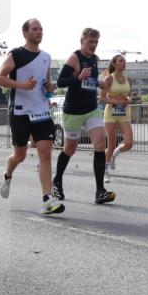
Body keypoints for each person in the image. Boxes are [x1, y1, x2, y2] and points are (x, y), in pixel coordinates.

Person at [0, 18, 64, 215]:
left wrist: (50, 88)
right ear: (25, 33)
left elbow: (47, 84)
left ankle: (47, 199)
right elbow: (0, 79)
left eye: (41, 29)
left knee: (45, 152)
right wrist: (21, 85)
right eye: (35, 29)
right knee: (20, 155)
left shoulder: (46, 57)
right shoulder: (15, 54)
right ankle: (7, 175)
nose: (39, 32)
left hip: (41, 111)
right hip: (20, 112)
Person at [52, 28, 115, 204]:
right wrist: (78, 77)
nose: (93, 46)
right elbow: (61, 82)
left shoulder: (94, 59)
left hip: (91, 109)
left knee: (100, 144)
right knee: (70, 149)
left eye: (96, 43)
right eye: (90, 42)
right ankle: (57, 181)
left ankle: (100, 191)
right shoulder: (75, 58)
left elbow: (90, 81)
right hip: (73, 111)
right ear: (82, 42)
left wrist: (99, 83)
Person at [101, 54, 135, 183]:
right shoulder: (109, 79)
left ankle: (115, 154)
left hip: (123, 114)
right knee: (110, 144)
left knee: (129, 143)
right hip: (110, 113)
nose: (124, 63)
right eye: (121, 61)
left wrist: (128, 100)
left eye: (124, 61)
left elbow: (130, 96)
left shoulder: (129, 80)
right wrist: (115, 101)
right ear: (115, 64)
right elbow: (102, 98)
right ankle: (105, 172)